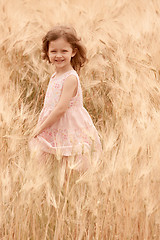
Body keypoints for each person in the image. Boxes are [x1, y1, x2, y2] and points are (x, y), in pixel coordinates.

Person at [29, 25, 102, 172]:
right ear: (47, 53)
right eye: (53, 51)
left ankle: (66, 193)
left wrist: (40, 127)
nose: (58, 55)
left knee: (68, 165)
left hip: (68, 126)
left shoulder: (70, 78)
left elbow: (61, 109)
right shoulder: (55, 76)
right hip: (55, 125)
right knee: (53, 167)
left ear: (73, 52)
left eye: (64, 51)